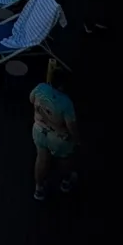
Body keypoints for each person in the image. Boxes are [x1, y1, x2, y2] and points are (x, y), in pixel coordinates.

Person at [30, 64, 79, 200]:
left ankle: (39, 189)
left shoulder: (40, 88)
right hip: (58, 138)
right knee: (64, 159)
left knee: (41, 158)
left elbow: (31, 99)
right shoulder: (66, 103)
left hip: (39, 131)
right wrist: (77, 139)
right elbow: (71, 126)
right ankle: (66, 182)